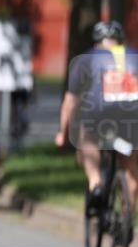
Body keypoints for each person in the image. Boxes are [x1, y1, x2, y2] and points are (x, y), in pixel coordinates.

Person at [55, 20, 138, 211]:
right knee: (131, 163)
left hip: (100, 115)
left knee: (86, 138)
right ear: (121, 41)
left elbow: (70, 102)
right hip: (132, 117)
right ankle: (126, 219)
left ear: (96, 43)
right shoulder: (135, 56)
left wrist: (62, 132)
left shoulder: (86, 59)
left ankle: (95, 182)